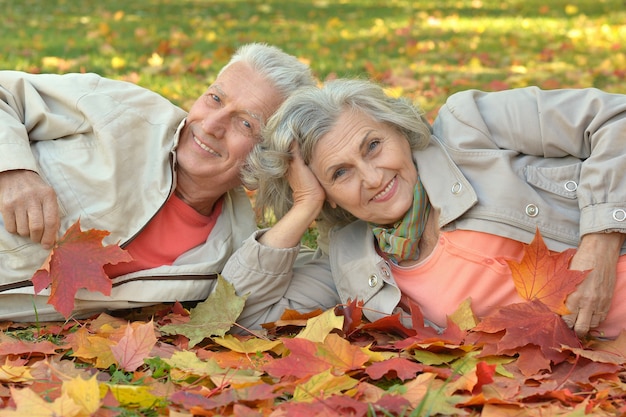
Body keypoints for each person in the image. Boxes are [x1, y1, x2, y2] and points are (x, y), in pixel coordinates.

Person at [222, 78, 626, 338]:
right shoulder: (351, 261)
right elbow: (239, 314)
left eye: (373, 146)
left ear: (397, 128)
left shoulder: (468, 129)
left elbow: (614, 118)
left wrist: (601, 244)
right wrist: (303, 208)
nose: (373, 178)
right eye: (341, 173)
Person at [0, 42, 332, 323]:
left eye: (245, 123)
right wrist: (14, 171)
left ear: (270, 155)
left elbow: (244, 310)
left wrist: (306, 204)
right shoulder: (123, 111)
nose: (212, 125)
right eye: (215, 99)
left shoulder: (232, 248)